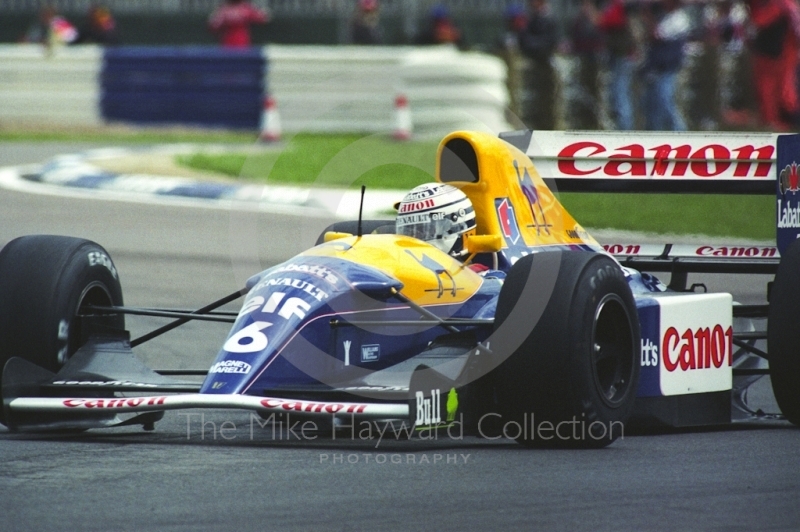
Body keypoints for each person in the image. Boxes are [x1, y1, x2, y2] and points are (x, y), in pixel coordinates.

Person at [745, 0, 800, 131]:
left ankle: (778, 122)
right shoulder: (786, 5)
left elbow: (760, 21)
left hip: (779, 56)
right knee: (772, 92)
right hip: (772, 54)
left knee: (779, 93)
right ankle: (774, 122)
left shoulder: (782, 5)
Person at [641, 0, 690, 131]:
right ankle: (653, 134)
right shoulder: (664, 16)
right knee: (651, 103)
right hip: (656, 67)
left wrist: (648, 17)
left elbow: (656, 35)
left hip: (668, 67)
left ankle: (679, 131)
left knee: (665, 101)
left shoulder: (679, 19)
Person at [395, 183, 477, 259]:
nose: (415, 239)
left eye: (429, 231)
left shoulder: (481, 273)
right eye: (409, 231)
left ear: (459, 226)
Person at [596, 0, 638, 130]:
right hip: (617, 55)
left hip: (622, 55)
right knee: (616, 91)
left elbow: (602, 22)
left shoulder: (618, 6)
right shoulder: (614, 6)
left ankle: (625, 129)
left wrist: (588, 7)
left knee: (620, 91)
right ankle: (620, 126)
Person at [518, 0, 559, 130]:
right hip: (534, 65)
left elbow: (550, 42)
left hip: (546, 66)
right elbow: (523, 40)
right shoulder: (531, 20)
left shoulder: (549, 19)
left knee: (548, 103)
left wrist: (533, 45)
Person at [569, 0, 604, 129]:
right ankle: (583, 122)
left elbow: (600, 38)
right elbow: (575, 37)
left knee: (595, 93)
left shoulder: (598, 18)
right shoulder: (578, 20)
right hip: (582, 58)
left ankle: (596, 124)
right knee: (581, 93)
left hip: (595, 61)